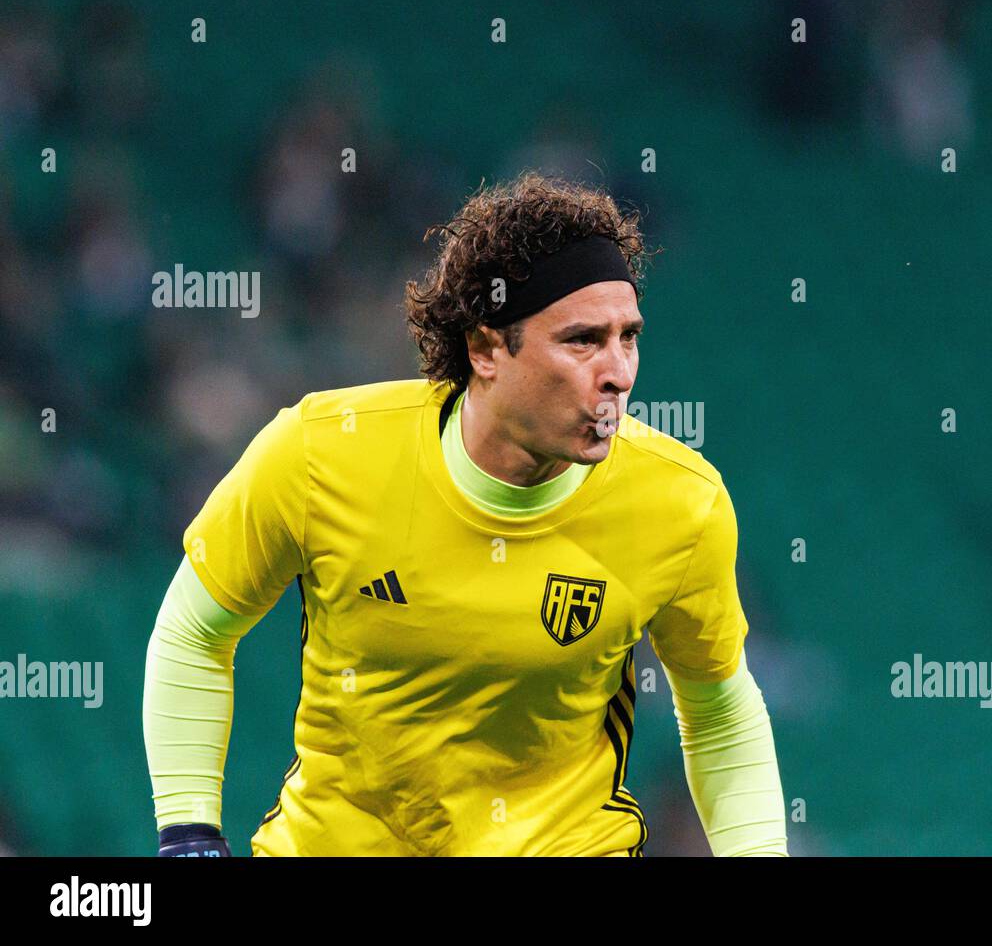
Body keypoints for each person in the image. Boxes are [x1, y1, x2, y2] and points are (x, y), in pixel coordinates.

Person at [143, 171, 787, 856]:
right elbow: (195, 631)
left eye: (628, 337)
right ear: (484, 350)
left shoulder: (680, 502)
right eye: (581, 340)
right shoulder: (317, 454)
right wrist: (188, 830)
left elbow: (718, 710)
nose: (619, 372)